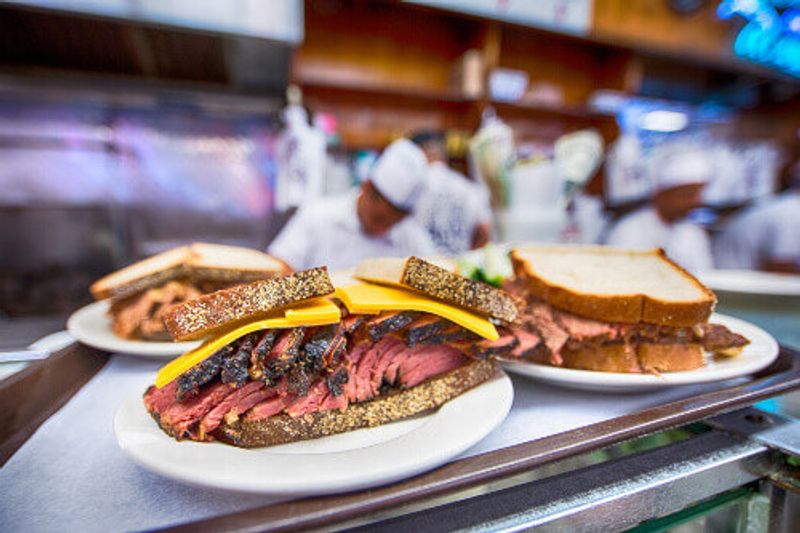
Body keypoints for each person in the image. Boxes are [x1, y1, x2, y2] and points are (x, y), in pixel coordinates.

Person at [268, 138, 437, 270]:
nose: (382, 229)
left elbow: (436, 274)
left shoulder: (411, 237)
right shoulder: (318, 216)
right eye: (379, 219)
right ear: (367, 187)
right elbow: (279, 267)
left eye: (393, 223)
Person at [605, 148, 714, 272]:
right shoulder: (629, 230)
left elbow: (706, 279)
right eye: (687, 195)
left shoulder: (693, 233)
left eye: (698, 194)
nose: (696, 202)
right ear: (660, 195)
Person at [412, 131, 492, 255]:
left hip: (418, 268)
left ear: (419, 152)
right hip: (456, 269)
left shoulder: (413, 187)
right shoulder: (469, 188)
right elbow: (484, 231)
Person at [713, 163, 800, 273]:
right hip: (729, 284)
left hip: (738, 280)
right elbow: (781, 268)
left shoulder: (785, 204)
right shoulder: (792, 213)